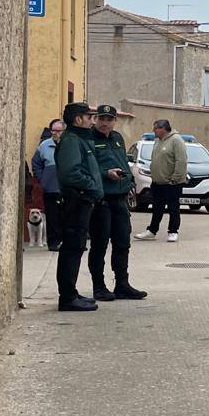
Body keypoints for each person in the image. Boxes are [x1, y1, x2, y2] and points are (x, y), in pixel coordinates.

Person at [87, 105, 147, 301]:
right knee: (99, 245)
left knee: (122, 243)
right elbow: (89, 167)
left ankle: (122, 284)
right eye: (102, 118)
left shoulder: (118, 138)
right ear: (96, 119)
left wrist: (129, 179)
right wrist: (106, 174)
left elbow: (123, 161)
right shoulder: (88, 139)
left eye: (109, 119)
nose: (105, 123)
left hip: (120, 199)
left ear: (114, 121)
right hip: (101, 200)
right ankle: (99, 286)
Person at [53, 102, 105, 311]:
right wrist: (92, 187)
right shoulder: (72, 141)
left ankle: (71, 292)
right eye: (89, 117)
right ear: (78, 119)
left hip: (83, 200)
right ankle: (67, 297)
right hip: (76, 200)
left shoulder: (80, 140)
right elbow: (70, 173)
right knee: (72, 248)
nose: (93, 121)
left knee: (76, 247)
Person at [136, 120, 187, 242]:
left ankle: (173, 231)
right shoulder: (158, 140)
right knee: (157, 208)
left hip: (172, 183)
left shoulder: (176, 140)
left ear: (163, 128)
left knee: (173, 207)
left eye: (155, 129)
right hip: (157, 182)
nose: (153, 131)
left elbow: (181, 161)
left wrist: (175, 178)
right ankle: (152, 231)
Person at [30, 119, 65, 252]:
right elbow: (36, 163)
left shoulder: (68, 145)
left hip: (66, 187)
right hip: (50, 188)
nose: (55, 133)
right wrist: (42, 178)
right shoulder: (44, 145)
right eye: (53, 131)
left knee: (67, 215)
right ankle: (53, 243)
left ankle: (66, 241)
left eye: (58, 131)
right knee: (52, 216)